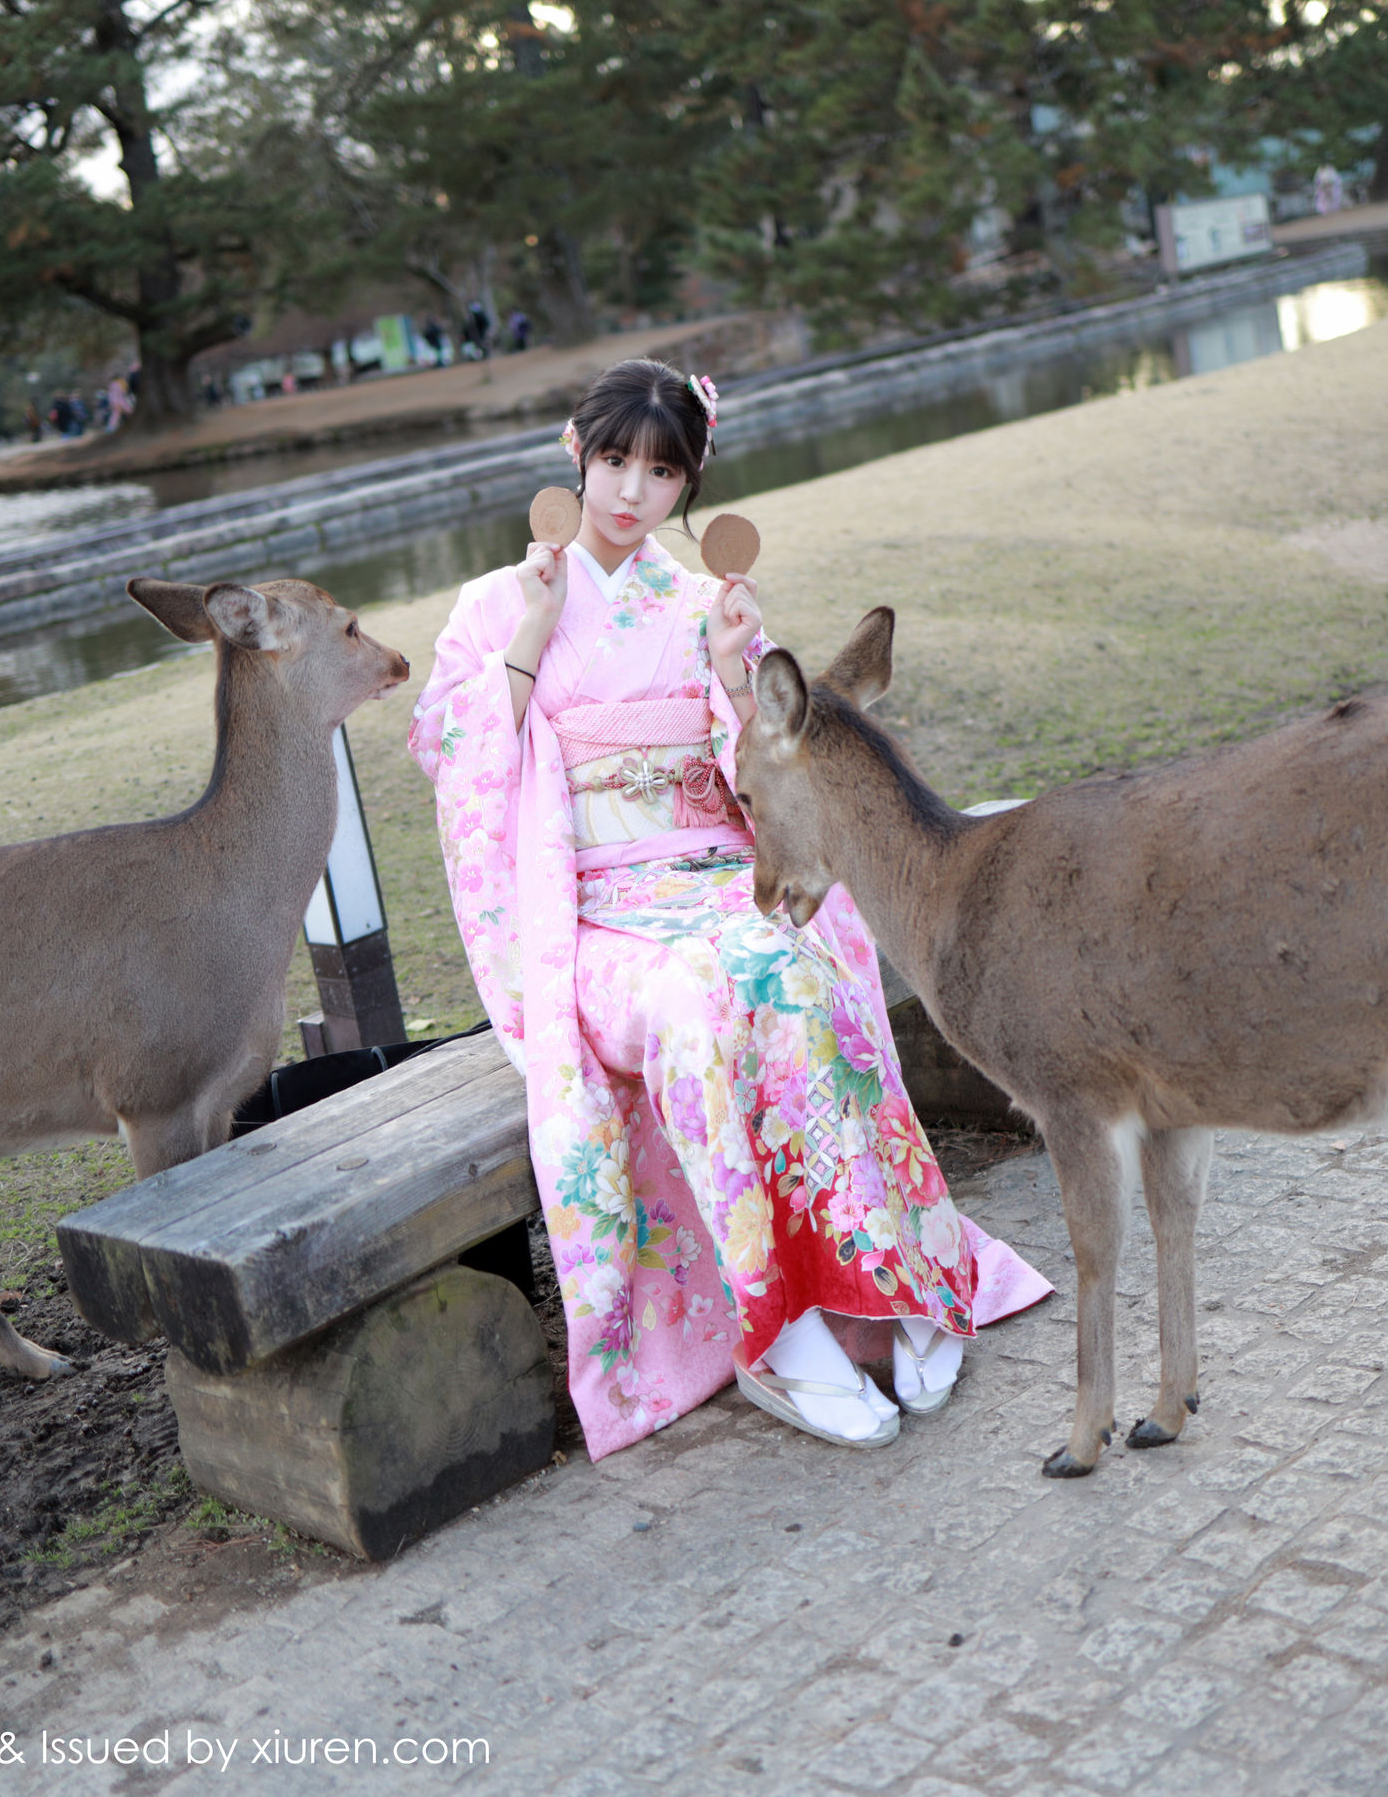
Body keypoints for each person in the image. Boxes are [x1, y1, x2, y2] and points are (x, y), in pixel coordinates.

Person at [408, 361, 1051, 1459]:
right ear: (576, 451)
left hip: (713, 874)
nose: (629, 494)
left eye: (660, 472)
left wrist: (727, 674)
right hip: (599, 916)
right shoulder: (495, 604)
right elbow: (452, 761)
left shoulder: (704, 605)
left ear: (687, 485)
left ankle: (879, 1283)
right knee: (700, 1008)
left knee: (799, 979)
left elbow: (770, 774)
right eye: (613, 462)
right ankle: (779, 1326)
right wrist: (533, 630)